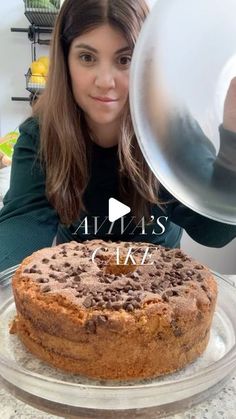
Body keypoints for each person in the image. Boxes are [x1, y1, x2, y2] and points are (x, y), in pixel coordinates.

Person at [0, 0, 236, 272]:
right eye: (87, 58)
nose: (104, 81)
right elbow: (25, 221)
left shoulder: (172, 132)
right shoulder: (41, 135)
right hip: (73, 294)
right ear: (65, 60)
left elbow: (215, 231)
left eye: (124, 59)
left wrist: (232, 136)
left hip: (160, 295)